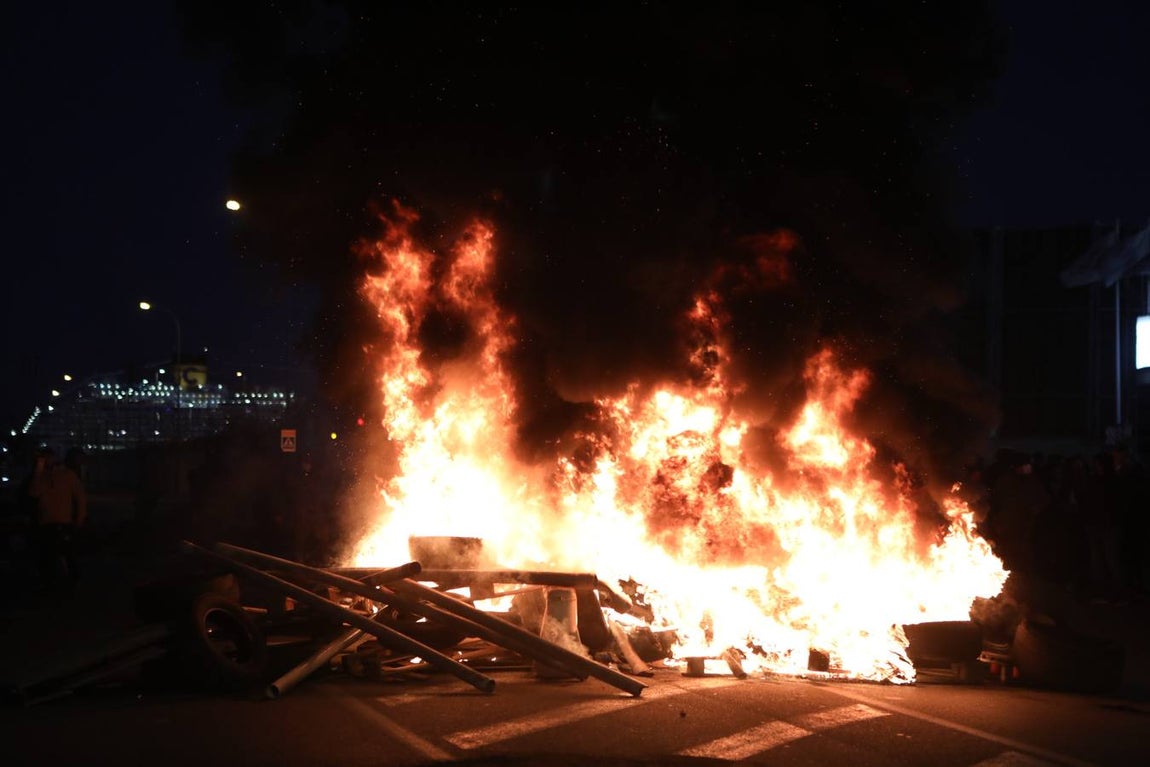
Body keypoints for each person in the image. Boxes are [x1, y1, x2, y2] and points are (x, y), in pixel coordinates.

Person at [27, 446, 87, 596]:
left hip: (62, 520)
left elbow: (79, 497)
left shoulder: (67, 475)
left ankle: (73, 580)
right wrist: (38, 471)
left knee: (66, 552)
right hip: (46, 521)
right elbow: (33, 493)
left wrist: (80, 518)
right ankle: (51, 583)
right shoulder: (40, 476)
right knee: (47, 554)